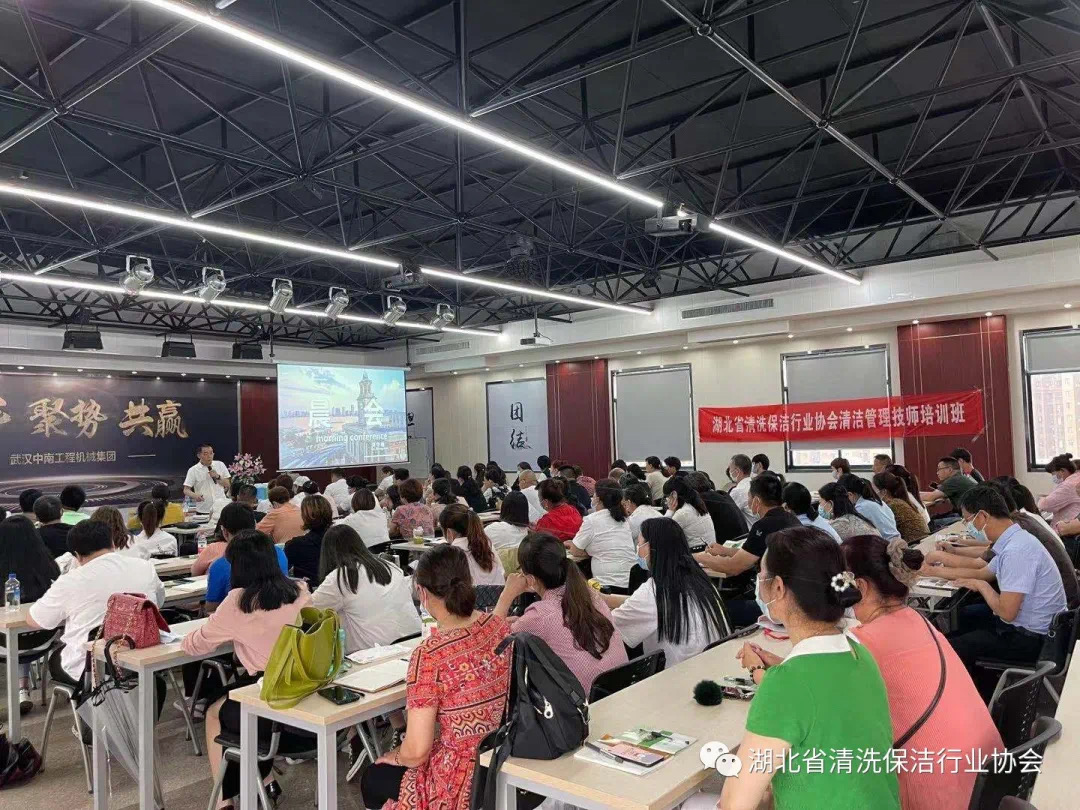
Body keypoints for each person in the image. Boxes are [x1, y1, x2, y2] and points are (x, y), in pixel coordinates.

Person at [718, 527, 899, 810]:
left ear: (778, 588)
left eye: (761, 576)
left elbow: (734, 804)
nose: (759, 584)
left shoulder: (787, 683)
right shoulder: (859, 653)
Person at [837, 534, 1003, 810]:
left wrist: (769, 674)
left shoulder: (862, 643)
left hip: (939, 792)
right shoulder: (919, 620)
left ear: (860, 587)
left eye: (840, 581)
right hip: (989, 781)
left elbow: (822, 708)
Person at [360, 545, 512, 810]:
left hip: (458, 781)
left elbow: (417, 751)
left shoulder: (429, 655)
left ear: (422, 593)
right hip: (499, 756)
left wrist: (397, 756)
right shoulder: (497, 626)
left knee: (374, 778)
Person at [183, 529, 312, 807]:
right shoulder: (299, 589)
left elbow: (196, 646)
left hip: (267, 697)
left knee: (214, 711)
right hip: (304, 689)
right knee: (234, 697)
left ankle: (224, 801)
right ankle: (265, 781)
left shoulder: (238, 601)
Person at [943, 486, 1067, 685]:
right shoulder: (1015, 539)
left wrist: (982, 586)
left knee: (949, 646)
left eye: (967, 520)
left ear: (982, 516)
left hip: (1033, 639)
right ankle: (980, 679)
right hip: (1037, 628)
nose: (968, 527)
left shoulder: (1016, 551)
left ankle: (980, 691)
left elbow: (1007, 613)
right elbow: (982, 572)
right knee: (967, 617)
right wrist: (930, 570)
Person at [27, 519, 165, 682]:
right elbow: (158, 603)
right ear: (112, 543)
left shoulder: (71, 580)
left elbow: (37, 621)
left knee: (57, 657)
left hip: (90, 668)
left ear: (76, 555)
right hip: (143, 658)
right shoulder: (145, 567)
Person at [494, 532, 627, 694]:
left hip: (587, 702)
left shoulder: (539, 615)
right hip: (622, 687)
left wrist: (507, 595)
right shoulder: (587, 594)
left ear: (530, 578)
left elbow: (490, 642)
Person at [608, 518, 727, 666]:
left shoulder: (653, 590)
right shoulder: (699, 579)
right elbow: (643, 604)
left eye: (639, 543)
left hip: (679, 674)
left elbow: (608, 626)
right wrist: (606, 599)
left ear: (651, 547)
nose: (637, 549)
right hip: (714, 664)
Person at [696, 473, 801, 628]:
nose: (749, 502)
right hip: (795, 596)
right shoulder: (789, 518)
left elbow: (733, 567)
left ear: (757, 500)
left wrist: (698, 557)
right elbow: (755, 552)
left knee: (714, 610)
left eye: (749, 498)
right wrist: (724, 550)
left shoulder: (764, 526)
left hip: (779, 603)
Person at [312, 524, 421, 652]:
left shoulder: (341, 578)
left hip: (376, 653)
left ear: (327, 554)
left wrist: (301, 591)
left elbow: (309, 611)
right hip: (414, 642)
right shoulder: (389, 566)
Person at [0, 515, 60, 712]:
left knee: (14, 635)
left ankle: (21, 690)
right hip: (44, 638)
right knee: (22, 631)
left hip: (4, 643)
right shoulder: (48, 565)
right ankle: (22, 688)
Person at [206, 505, 290, 609]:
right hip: (278, 612)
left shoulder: (221, 565)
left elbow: (212, 607)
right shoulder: (279, 553)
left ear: (224, 532)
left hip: (237, 615)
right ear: (255, 524)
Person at [569, 479, 637, 589]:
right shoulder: (624, 519)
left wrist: (589, 551)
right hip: (631, 582)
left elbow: (574, 551)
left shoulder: (592, 520)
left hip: (607, 585)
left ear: (598, 498)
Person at [438, 504, 505, 587]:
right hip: (500, 593)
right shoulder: (486, 543)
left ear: (449, 533)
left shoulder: (453, 552)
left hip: (471, 595)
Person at [284, 494, 334, 587]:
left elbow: (283, 571)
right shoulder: (340, 539)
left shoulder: (295, 545)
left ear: (304, 517)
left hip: (309, 591)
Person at [871, 472, 929, 544]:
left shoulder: (891, 505)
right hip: (922, 541)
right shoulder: (898, 501)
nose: (871, 492)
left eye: (873, 489)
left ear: (884, 492)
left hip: (913, 545)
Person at [840, 474, 901, 541]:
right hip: (896, 541)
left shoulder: (861, 507)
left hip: (887, 544)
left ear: (850, 495)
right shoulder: (876, 501)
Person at [662, 476, 716, 549]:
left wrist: (670, 511)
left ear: (674, 495)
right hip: (709, 551)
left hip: (697, 553)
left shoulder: (682, 513)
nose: (666, 500)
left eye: (666, 496)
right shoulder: (696, 505)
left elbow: (662, 533)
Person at [183, 443, 231, 514]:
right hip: (203, 509)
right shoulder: (193, 470)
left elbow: (228, 484)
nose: (209, 456)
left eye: (211, 453)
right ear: (199, 455)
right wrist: (195, 495)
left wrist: (218, 476)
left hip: (221, 508)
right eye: (205, 454)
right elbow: (186, 490)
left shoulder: (220, 465)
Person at [1038, 453, 1080, 527]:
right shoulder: (1076, 479)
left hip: (1066, 529)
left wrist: (1041, 499)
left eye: (1053, 474)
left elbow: (1045, 505)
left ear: (1062, 471)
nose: (1053, 477)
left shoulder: (1068, 485)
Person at [727, 453, 756, 526]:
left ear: (737, 471)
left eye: (730, 469)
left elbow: (727, 514)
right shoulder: (753, 484)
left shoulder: (739, 490)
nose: (729, 472)